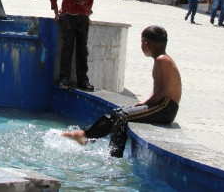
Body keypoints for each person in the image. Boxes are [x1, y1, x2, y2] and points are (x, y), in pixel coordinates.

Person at [62, 25, 181, 158]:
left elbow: (162, 91)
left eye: (141, 42)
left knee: (121, 117)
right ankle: (84, 135)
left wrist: (145, 103)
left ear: (146, 43)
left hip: (165, 108)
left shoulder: (162, 60)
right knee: (116, 113)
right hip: (160, 105)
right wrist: (145, 104)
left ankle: (114, 156)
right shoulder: (160, 59)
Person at [50, 0, 95, 92]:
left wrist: (87, 14)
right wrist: (56, 12)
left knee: (82, 50)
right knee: (67, 48)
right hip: (68, 17)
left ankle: (83, 79)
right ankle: (64, 78)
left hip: (82, 19)